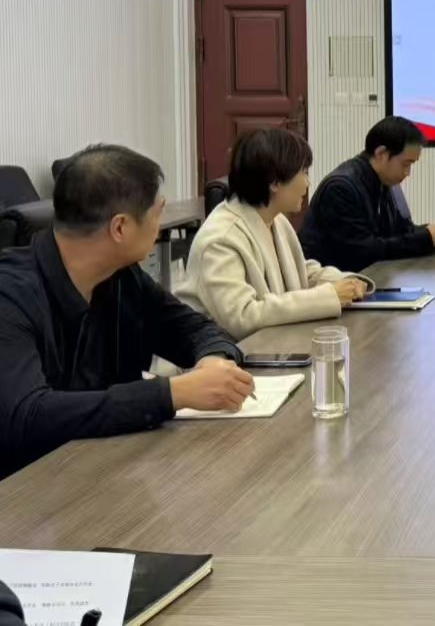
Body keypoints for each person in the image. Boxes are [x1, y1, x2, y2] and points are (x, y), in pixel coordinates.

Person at [0, 145, 254, 480]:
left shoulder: (120, 276)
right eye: (157, 213)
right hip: (28, 492)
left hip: (108, 471)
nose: (160, 225)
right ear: (120, 228)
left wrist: (213, 360)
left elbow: (193, 328)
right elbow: (29, 416)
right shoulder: (10, 295)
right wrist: (172, 393)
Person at [177, 129, 373, 341]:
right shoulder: (220, 239)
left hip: (272, 347)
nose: (308, 183)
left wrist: (346, 282)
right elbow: (242, 317)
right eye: (303, 172)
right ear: (275, 183)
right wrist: (328, 296)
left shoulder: (275, 219)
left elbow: (298, 272)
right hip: (228, 356)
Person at [299, 116, 435, 272]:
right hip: (332, 281)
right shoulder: (340, 188)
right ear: (381, 153)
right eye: (405, 164)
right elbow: (362, 252)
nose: (408, 173)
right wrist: (426, 238)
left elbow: (400, 231)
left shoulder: (385, 181)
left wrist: (431, 231)